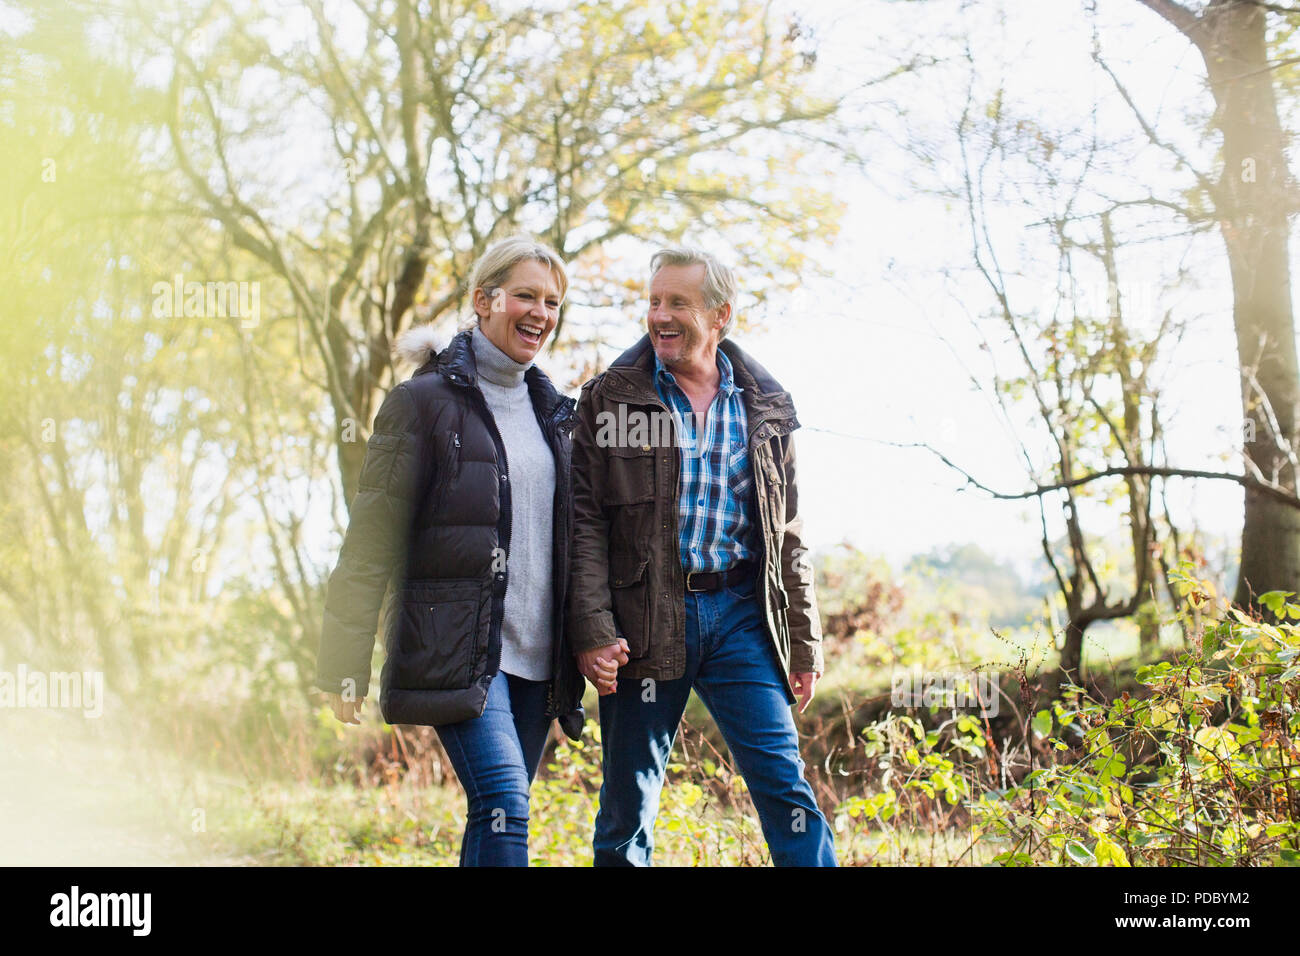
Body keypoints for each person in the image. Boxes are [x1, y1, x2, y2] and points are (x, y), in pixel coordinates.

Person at [314, 235, 585, 866]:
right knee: (505, 801)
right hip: (459, 648)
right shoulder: (423, 404)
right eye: (525, 296)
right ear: (482, 300)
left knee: (497, 810)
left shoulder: (556, 414)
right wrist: (342, 659)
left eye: (552, 301)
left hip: (539, 656)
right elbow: (370, 538)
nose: (540, 313)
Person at [568, 245, 836, 866]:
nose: (659, 315)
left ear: (720, 316)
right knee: (628, 806)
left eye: (677, 303)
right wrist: (592, 628)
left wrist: (804, 642)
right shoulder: (612, 399)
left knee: (785, 784)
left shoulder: (766, 405)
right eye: (654, 302)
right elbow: (584, 524)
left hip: (743, 616)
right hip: (646, 618)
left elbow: (788, 532)